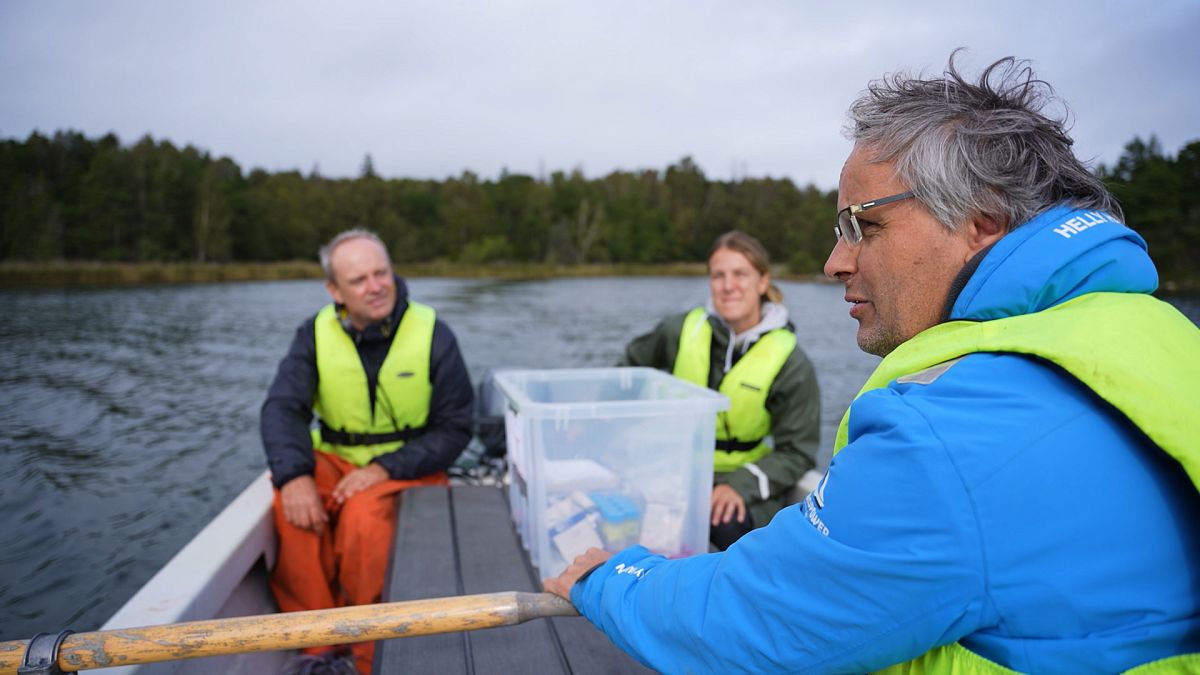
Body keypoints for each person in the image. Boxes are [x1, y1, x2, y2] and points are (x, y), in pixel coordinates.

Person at [546, 53, 1200, 673]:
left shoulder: (951, 435)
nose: (836, 261)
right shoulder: (1162, 335)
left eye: (863, 225)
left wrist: (612, 576)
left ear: (984, 220)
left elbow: (752, 619)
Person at [261, 229, 473, 674]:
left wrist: (384, 468)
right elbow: (282, 408)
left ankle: (366, 652)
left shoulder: (434, 333)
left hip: (411, 465)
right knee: (291, 499)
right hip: (337, 458)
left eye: (382, 273)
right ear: (334, 290)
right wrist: (294, 475)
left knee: (363, 518)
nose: (375, 286)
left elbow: (455, 429)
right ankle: (316, 640)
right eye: (359, 280)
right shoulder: (313, 334)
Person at [619, 230, 820, 550]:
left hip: (740, 478)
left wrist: (740, 486)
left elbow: (797, 451)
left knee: (728, 526)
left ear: (763, 282)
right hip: (672, 471)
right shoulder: (678, 330)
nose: (728, 286)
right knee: (616, 515)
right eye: (718, 276)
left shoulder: (791, 362)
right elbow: (625, 375)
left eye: (740, 274)